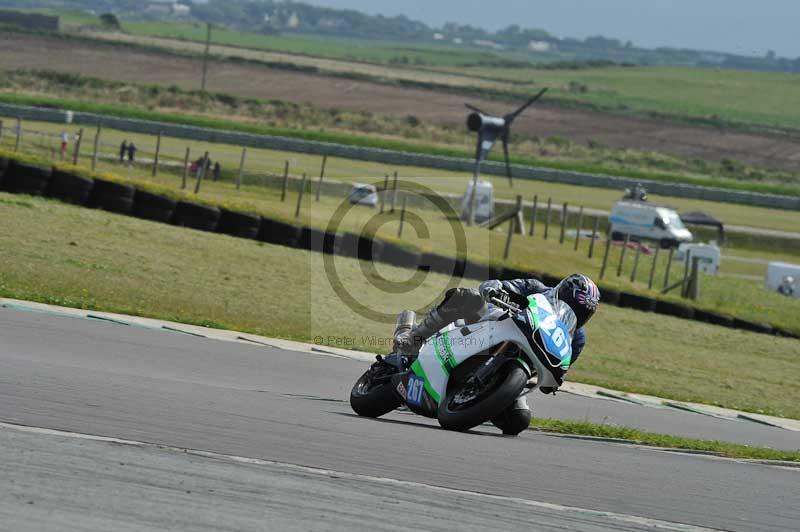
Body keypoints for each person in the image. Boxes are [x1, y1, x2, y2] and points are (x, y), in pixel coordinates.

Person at [393, 273, 599, 435]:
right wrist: (496, 289)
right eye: (575, 307)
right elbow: (498, 285)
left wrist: (555, 379)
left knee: (518, 421)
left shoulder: (577, 338)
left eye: (583, 313)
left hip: (522, 362)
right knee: (467, 297)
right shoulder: (537, 288)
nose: (578, 315)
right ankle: (413, 339)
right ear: (561, 293)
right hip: (492, 323)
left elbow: (559, 371)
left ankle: (482, 398)